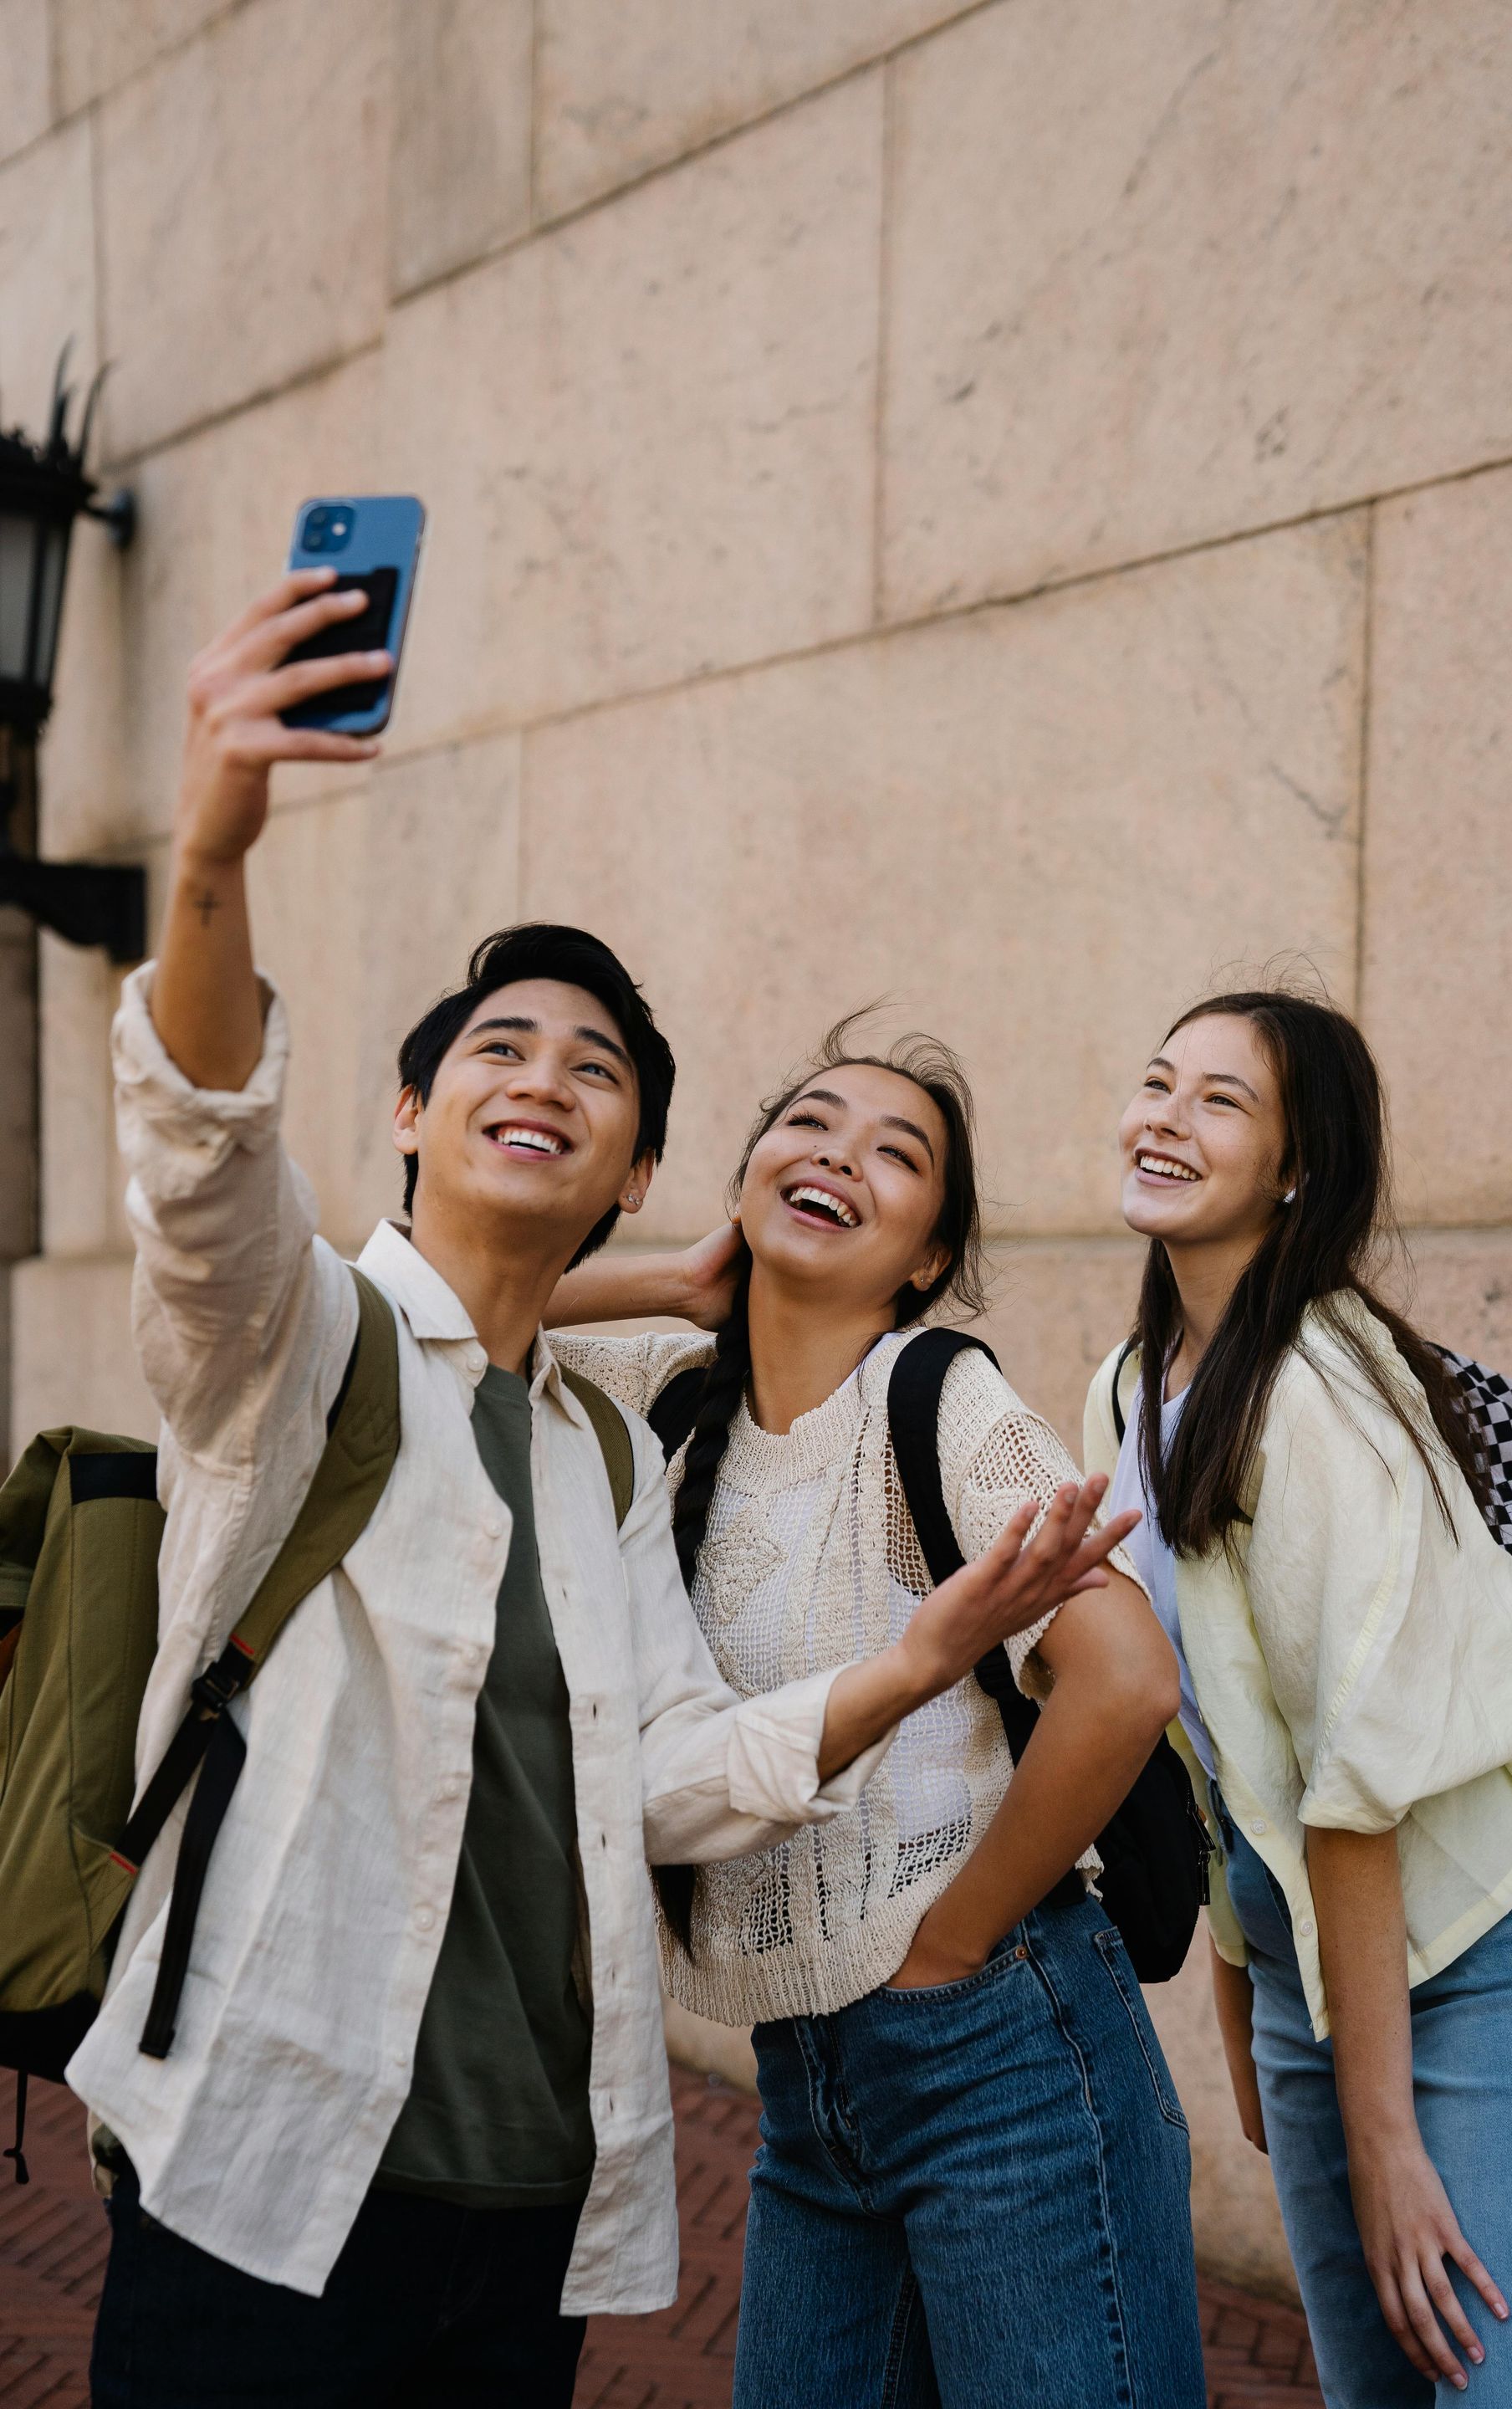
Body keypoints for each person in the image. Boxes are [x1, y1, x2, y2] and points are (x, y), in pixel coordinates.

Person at [72, 571, 1134, 2409]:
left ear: (637, 1163)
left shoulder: (599, 1447)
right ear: (405, 1115)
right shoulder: (293, 1343)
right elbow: (203, 1172)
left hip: (530, 2210)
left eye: (599, 1073)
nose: (545, 1078)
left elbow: (659, 1774)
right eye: (498, 1049)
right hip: (261, 2175)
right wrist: (215, 849)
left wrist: (918, 1660)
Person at [544, 1020, 1207, 2409]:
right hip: (804, 2091)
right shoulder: (659, 1396)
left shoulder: (944, 1397)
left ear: (923, 1260)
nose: (839, 1155)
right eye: (808, 1125)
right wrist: (676, 1276)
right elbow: (448, 1314)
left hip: (1003, 2056)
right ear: (742, 1185)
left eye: (896, 1154)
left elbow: (1129, 1678)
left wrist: (953, 1939)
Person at [1087, 987, 1512, 2407]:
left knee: (1505, 2376)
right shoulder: (1128, 1393)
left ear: (1297, 1165)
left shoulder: (1324, 1396)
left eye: (1221, 1101)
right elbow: (1209, 1744)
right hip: (1313, 1942)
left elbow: (1360, 1776)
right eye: (1157, 1080)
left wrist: (1382, 2138)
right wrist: (1249, 1988)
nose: (1167, 1118)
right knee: (1375, 2384)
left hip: (1490, 1928)